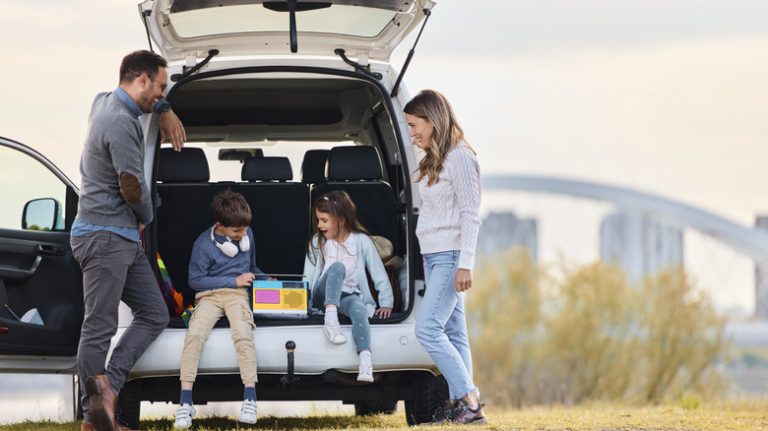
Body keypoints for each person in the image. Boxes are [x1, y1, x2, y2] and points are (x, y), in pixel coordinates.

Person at [70, 50, 186, 431]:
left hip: (118, 237)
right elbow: (132, 187)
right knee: (98, 327)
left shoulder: (102, 102)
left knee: (155, 312)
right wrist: (147, 219)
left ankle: (108, 394)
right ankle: (94, 420)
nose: (160, 93)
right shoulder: (121, 122)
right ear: (141, 80)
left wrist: (164, 107)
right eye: (160, 86)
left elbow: (146, 95)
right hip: (106, 236)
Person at [404, 89, 486, 424]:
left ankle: (469, 401)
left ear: (432, 119)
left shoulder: (461, 157)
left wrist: (466, 263)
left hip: (452, 256)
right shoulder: (436, 159)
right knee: (454, 334)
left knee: (427, 329)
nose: (412, 133)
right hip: (435, 256)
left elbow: (470, 214)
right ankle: (460, 406)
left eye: (414, 125)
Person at [173, 190, 265, 428]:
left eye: (245, 229)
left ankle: (250, 397)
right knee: (194, 335)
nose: (242, 235)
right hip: (209, 296)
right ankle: (185, 402)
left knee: (243, 334)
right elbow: (195, 280)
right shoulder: (203, 244)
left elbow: (252, 266)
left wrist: (267, 279)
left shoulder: (248, 235)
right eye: (236, 231)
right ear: (220, 226)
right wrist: (232, 281)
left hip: (238, 296)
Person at [303, 191, 394, 382]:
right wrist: (306, 304)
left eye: (324, 220)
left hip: (347, 296)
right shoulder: (318, 242)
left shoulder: (361, 241)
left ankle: (366, 362)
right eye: (318, 220)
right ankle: (330, 322)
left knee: (359, 308)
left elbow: (379, 273)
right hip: (322, 297)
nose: (319, 225)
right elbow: (309, 277)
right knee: (337, 268)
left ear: (341, 220)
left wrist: (386, 302)